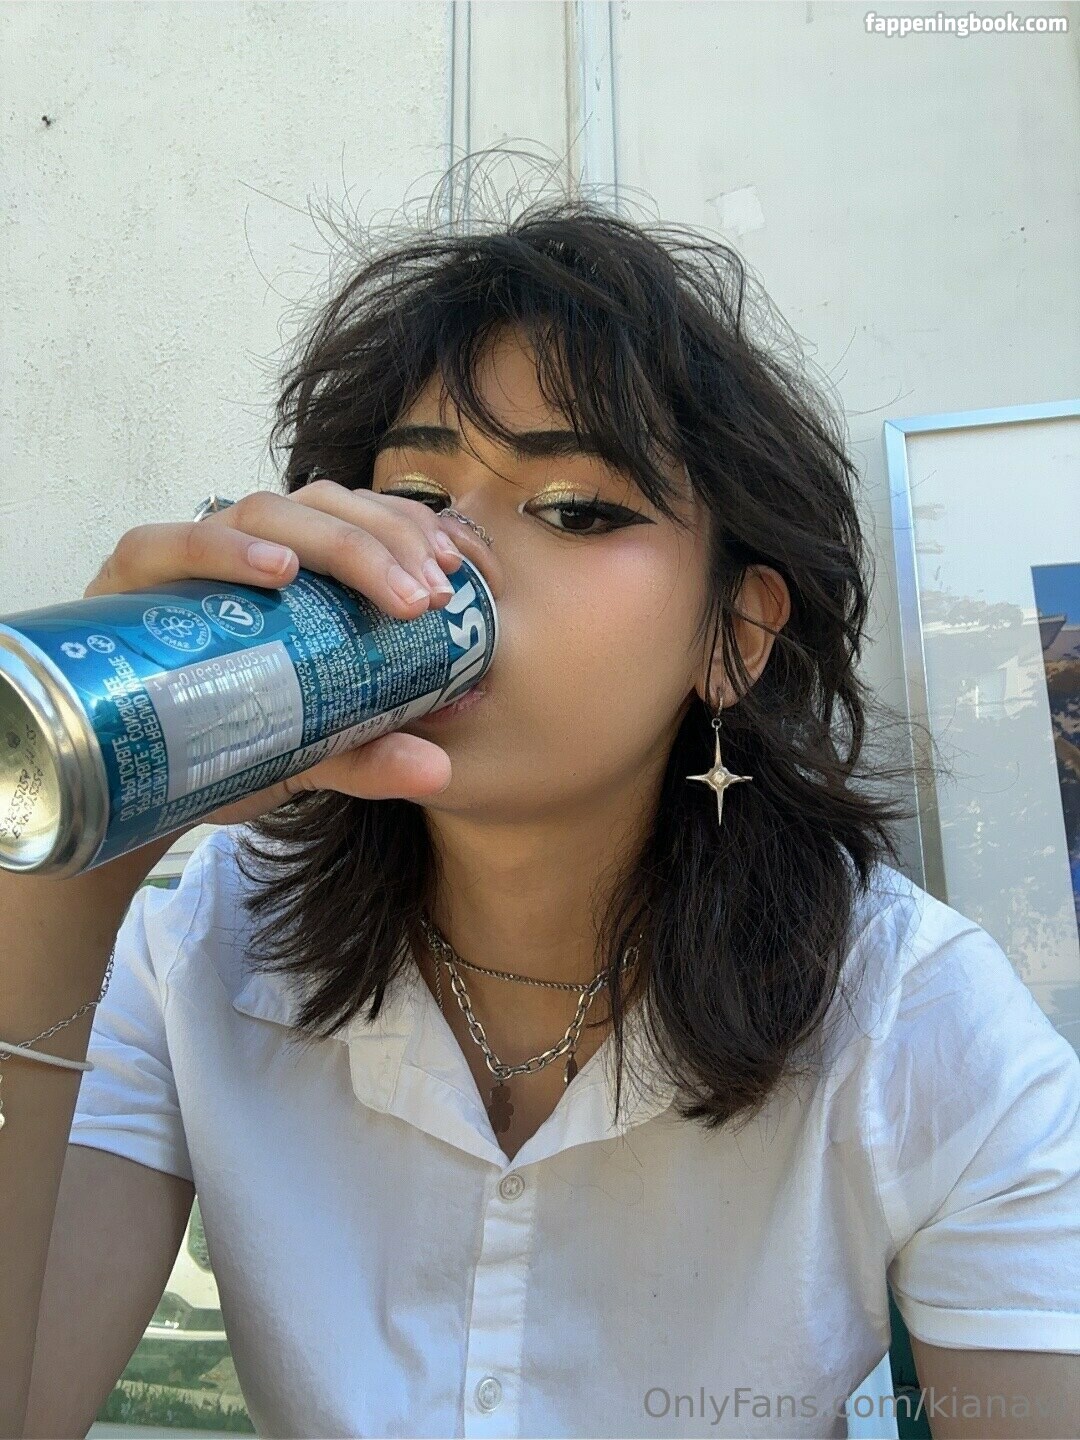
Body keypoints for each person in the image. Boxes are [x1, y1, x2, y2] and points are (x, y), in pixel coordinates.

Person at [6, 164, 1079, 1439]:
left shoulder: (914, 1019)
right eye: (414, 497)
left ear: (732, 636)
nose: (447, 553)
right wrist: (66, 862)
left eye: (575, 508)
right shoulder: (203, 943)